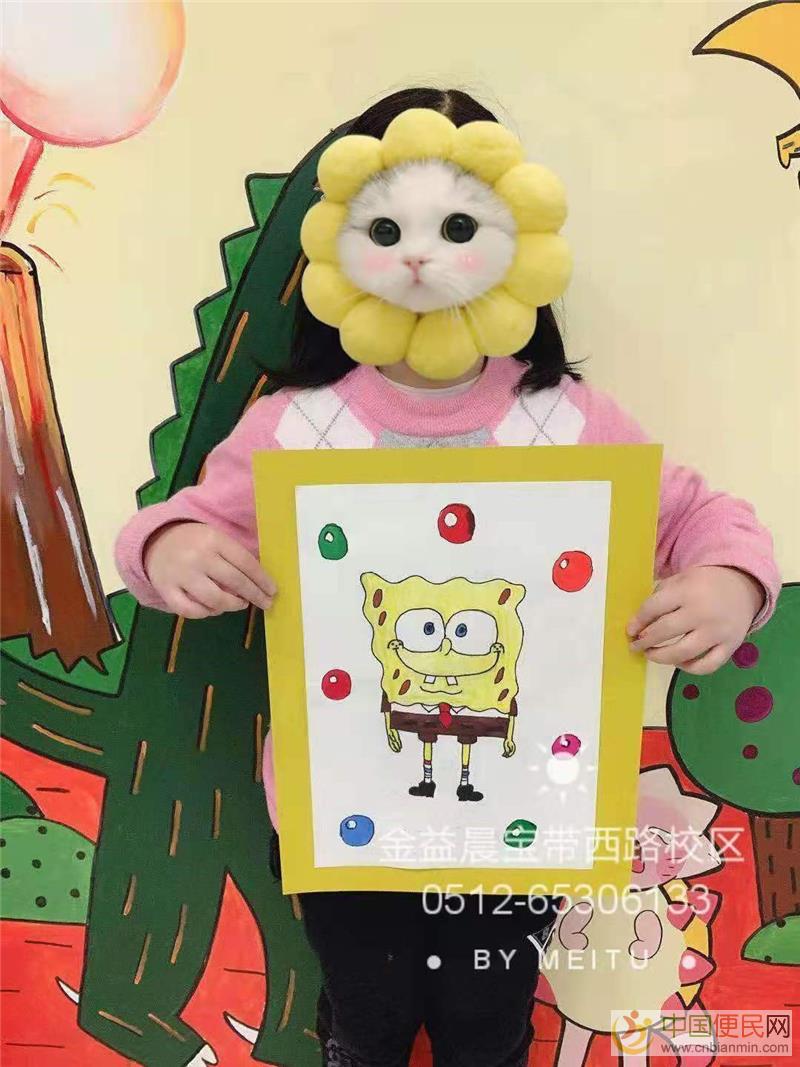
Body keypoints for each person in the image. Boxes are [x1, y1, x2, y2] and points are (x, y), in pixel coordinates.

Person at [115, 87, 780, 1067]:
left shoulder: (569, 419)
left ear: (514, 240)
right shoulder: (296, 426)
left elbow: (696, 514)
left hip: (519, 813)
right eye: (390, 227)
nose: (422, 256)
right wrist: (170, 545)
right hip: (342, 813)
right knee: (368, 1015)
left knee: (486, 1018)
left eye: (457, 225)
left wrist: (729, 578)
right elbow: (179, 525)